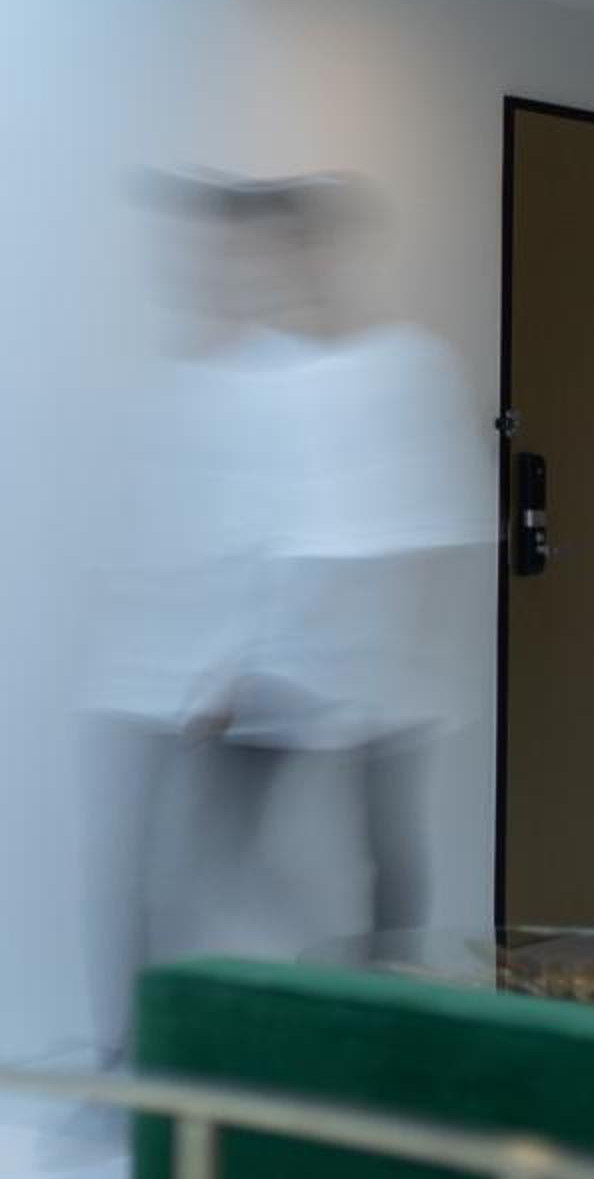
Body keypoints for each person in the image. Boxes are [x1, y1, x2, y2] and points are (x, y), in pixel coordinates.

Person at [81, 172, 492, 1063]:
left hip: (353, 674)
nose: (243, 270)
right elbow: (231, 539)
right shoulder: (230, 380)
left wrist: (280, 662)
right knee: (210, 860)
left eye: (264, 250)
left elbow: (390, 534)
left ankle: (381, 1036)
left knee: (373, 862)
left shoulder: (392, 369)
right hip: (252, 673)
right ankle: (158, 1048)